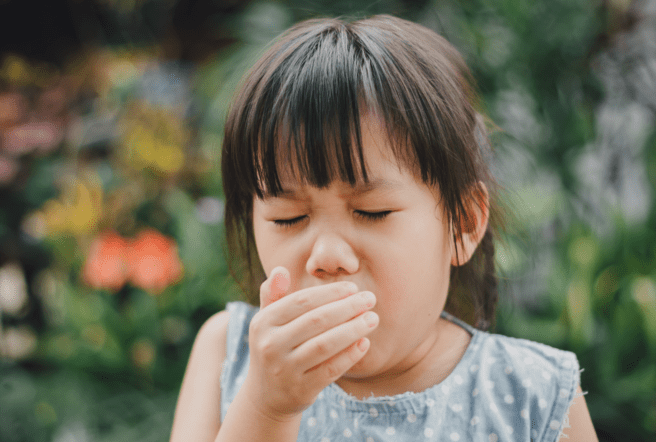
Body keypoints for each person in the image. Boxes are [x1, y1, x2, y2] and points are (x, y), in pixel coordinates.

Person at [170, 15, 598, 442]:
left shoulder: (534, 397)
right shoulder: (228, 353)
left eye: (371, 211)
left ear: (463, 224)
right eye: (289, 218)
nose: (327, 256)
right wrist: (266, 408)